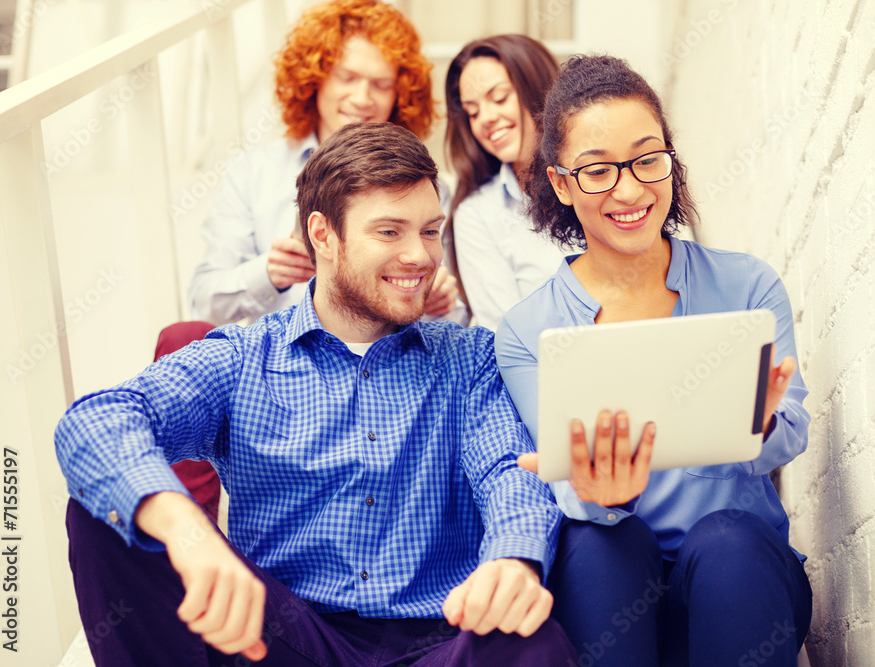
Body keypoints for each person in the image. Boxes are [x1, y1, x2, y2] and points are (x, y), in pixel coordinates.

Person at [57, 122, 575, 666]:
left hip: (440, 642)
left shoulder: (471, 358)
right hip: (281, 639)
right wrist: (188, 529)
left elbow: (509, 474)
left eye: (429, 231)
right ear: (324, 236)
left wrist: (513, 560)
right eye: (390, 232)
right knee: (106, 517)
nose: (420, 256)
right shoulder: (241, 356)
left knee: (531, 639)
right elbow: (98, 421)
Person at [494, 55, 813, 665]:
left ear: (670, 158)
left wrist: (759, 423)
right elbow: (568, 485)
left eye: (647, 159)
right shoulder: (527, 330)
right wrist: (603, 496)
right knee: (595, 541)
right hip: (614, 593)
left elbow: (791, 429)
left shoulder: (746, 285)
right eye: (598, 171)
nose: (631, 189)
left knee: (726, 540)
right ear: (560, 184)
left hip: (743, 586)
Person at [188, 0, 458, 326]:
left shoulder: (428, 188)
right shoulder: (252, 173)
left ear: (400, 94)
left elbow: (455, 316)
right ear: (315, 77)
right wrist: (269, 274)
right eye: (347, 77)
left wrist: (436, 302)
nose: (362, 98)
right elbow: (203, 305)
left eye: (381, 85)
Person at [444, 35, 570, 330]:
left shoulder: (598, 178)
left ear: (541, 91)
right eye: (472, 112)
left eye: (499, 98)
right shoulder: (478, 214)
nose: (486, 118)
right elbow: (507, 337)